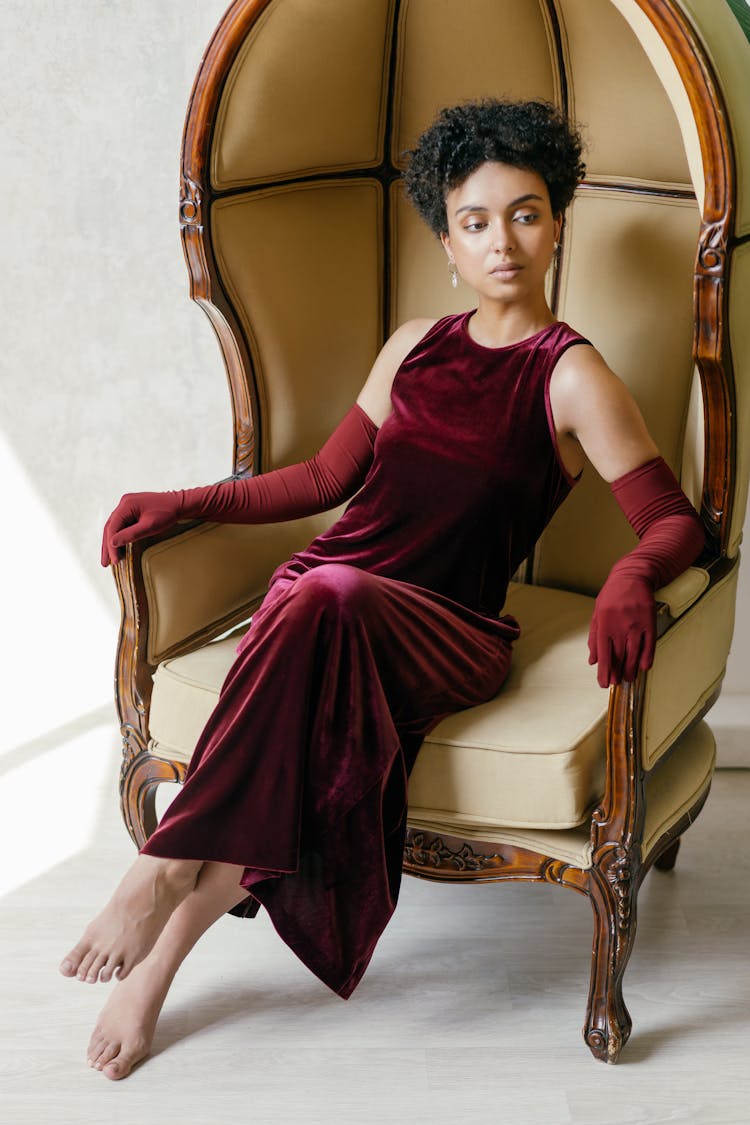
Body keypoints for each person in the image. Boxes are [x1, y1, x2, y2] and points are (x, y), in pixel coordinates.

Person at [60, 99, 704, 1080]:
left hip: (450, 628)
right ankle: (158, 969)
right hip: (327, 602)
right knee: (311, 641)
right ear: (446, 239)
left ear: (559, 222)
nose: (503, 241)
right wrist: (186, 501)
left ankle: (158, 868)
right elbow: (324, 483)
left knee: (323, 598)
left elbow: (674, 520)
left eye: (525, 214)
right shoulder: (414, 345)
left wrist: (630, 573)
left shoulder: (568, 374)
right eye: (476, 221)